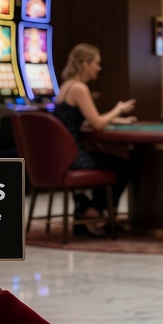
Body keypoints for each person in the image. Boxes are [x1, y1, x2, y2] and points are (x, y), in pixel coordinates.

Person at [52, 43, 136, 235]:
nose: (99, 68)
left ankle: (86, 209)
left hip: (62, 156)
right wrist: (119, 109)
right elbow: (97, 123)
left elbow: (80, 121)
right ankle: (93, 211)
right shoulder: (79, 88)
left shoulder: (66, 86)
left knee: (114, 163)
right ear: (84, 64)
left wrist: (115, 119)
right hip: (74, 157)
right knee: (123, 167)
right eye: (96, 63)